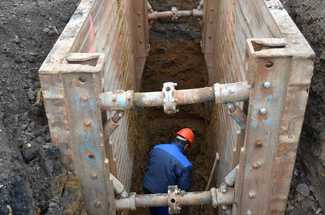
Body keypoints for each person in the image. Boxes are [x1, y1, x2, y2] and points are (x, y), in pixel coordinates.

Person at [143, 128, 195, 215]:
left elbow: (152, 164)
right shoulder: (186, 164)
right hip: (162, 196)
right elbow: (183, 188)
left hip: (147, 186)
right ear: (186, 146)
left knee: (153, 208)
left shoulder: (157, 147)